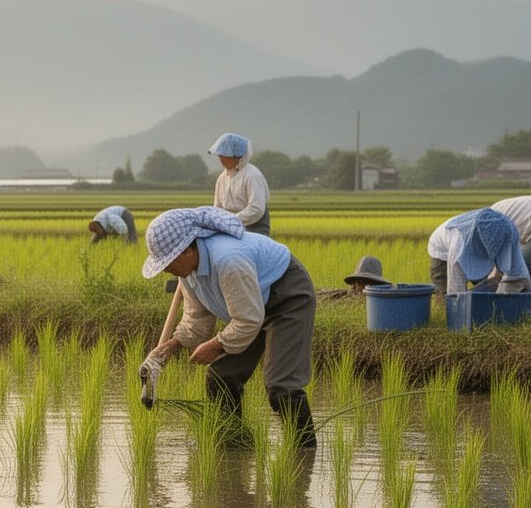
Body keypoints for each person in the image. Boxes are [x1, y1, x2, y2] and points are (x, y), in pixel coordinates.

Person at [139, 206, 317, 447]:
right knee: (221, 376)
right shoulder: (187, 272)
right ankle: (234, 447)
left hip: (287, 298)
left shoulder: (228, 260)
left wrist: (217, 344)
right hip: (251, 309)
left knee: (282, 386)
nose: (165, 270)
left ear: (187, 249)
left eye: (167, 261)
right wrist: (170, 347)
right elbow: (197, 320)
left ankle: (304, 455)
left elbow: (248, 320)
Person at [428, 207, 531, 298]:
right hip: (442, 251)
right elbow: (455, 289)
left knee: (487, 287)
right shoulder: (459, 241)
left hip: (485, 243)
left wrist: (500, 302)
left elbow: (518, 273)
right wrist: (458, 309)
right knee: (444, 295)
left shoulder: (509, 232)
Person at [209, 134, 271, 237]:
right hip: (228, 226)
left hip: (254, 226)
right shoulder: (222, 178)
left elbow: (256, 209)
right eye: (219, 155)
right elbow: (217, 207)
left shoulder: (252, 175)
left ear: (238, 156)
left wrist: (232, 220)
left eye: (225, 155)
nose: (221, 158)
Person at [319, 254, 391, 301]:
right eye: (361, 283)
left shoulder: (381, 303)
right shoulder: (344, 301)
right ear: (354, 285)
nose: (367, 287)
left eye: (371, 284)